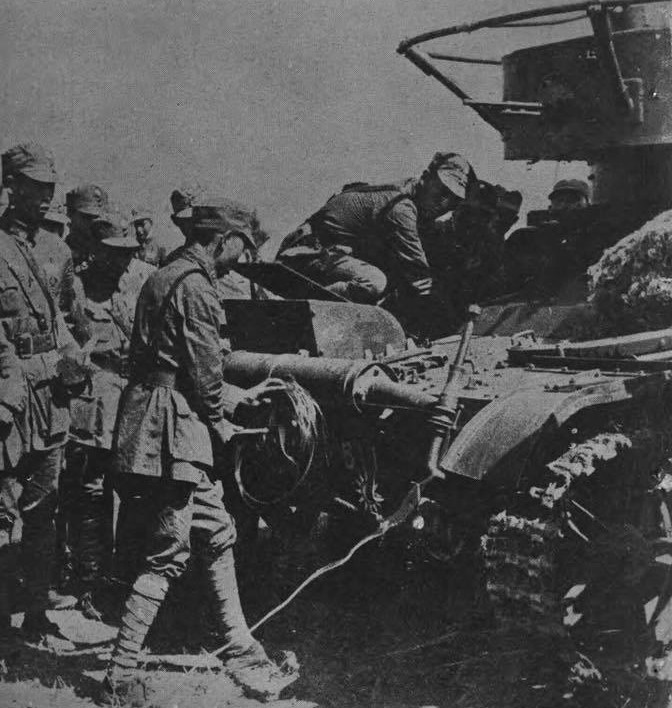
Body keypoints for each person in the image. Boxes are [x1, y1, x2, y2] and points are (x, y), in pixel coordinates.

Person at [103, 196, 298, 704]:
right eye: (243, 246)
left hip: (156, 413)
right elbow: (205, 374)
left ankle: (238, 644)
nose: (244, 256)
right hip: (173, 428)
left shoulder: (164, 277)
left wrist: (228, 399)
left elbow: (170, 363)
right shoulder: (197, 289)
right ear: (223, 239)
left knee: (214, 531)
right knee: (169, 549)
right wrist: (224, 416)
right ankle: (120, 675)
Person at [0, 142, 88, 641]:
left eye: (50, 188)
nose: (45, 196)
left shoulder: (56, 251)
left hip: (51, 397)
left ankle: (35, 613)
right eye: (35, 187)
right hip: (9, 397)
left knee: (43, 510)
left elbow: (68, 322)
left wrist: (76, 359)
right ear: (12, 187)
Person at [64, 214, 155, 620]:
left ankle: (127, 577)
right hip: (96, 393)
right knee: (92, 490)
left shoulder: (143, 281)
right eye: (113, 253)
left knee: (137, 487)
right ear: (96, 249)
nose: (121, 261)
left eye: (127, 253)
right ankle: (89, 580)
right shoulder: (76, 283)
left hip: (135, 390)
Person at [277, 152, 475, 304]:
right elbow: (419, 274)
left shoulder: (409, 195)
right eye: (441, 191)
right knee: (373, 282)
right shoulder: (401, 208)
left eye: (453, 200)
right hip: (305, 253)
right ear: (426, 178)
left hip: (326, 253)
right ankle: (302, 306)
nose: (444, 203)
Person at [65, 183, 109, 273]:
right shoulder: (61, 252)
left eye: (98, 218)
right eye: (87, 217)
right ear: (71, 214)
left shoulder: (106, 255)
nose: (93, 223)